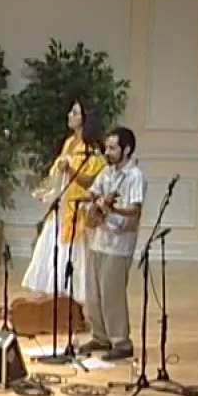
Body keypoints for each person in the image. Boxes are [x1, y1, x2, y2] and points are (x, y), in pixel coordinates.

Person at [22, 99, 106, 304]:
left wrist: (70, 170)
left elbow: (90, 182)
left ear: (85, 119)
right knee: (50, 247)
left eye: (75, 112)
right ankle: (49, 297)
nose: (69, 115)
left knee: (73, 255)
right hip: (61, 206)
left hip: (77, 210)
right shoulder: (69, 143)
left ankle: (70, 301)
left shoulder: (91, 150)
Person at [79, 127, 146, 361]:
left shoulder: (134, 176)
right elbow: (92, 193)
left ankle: (121, 341)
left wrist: (112, 208)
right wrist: (96, 201)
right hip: (98, 239)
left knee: (112, 293)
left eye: (113, 148)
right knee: (94, 292)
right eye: (107, 147)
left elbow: (135, 209)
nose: (107, 152)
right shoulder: (106, 172)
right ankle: (100, 337)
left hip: (118, 244)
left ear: (126, 149)